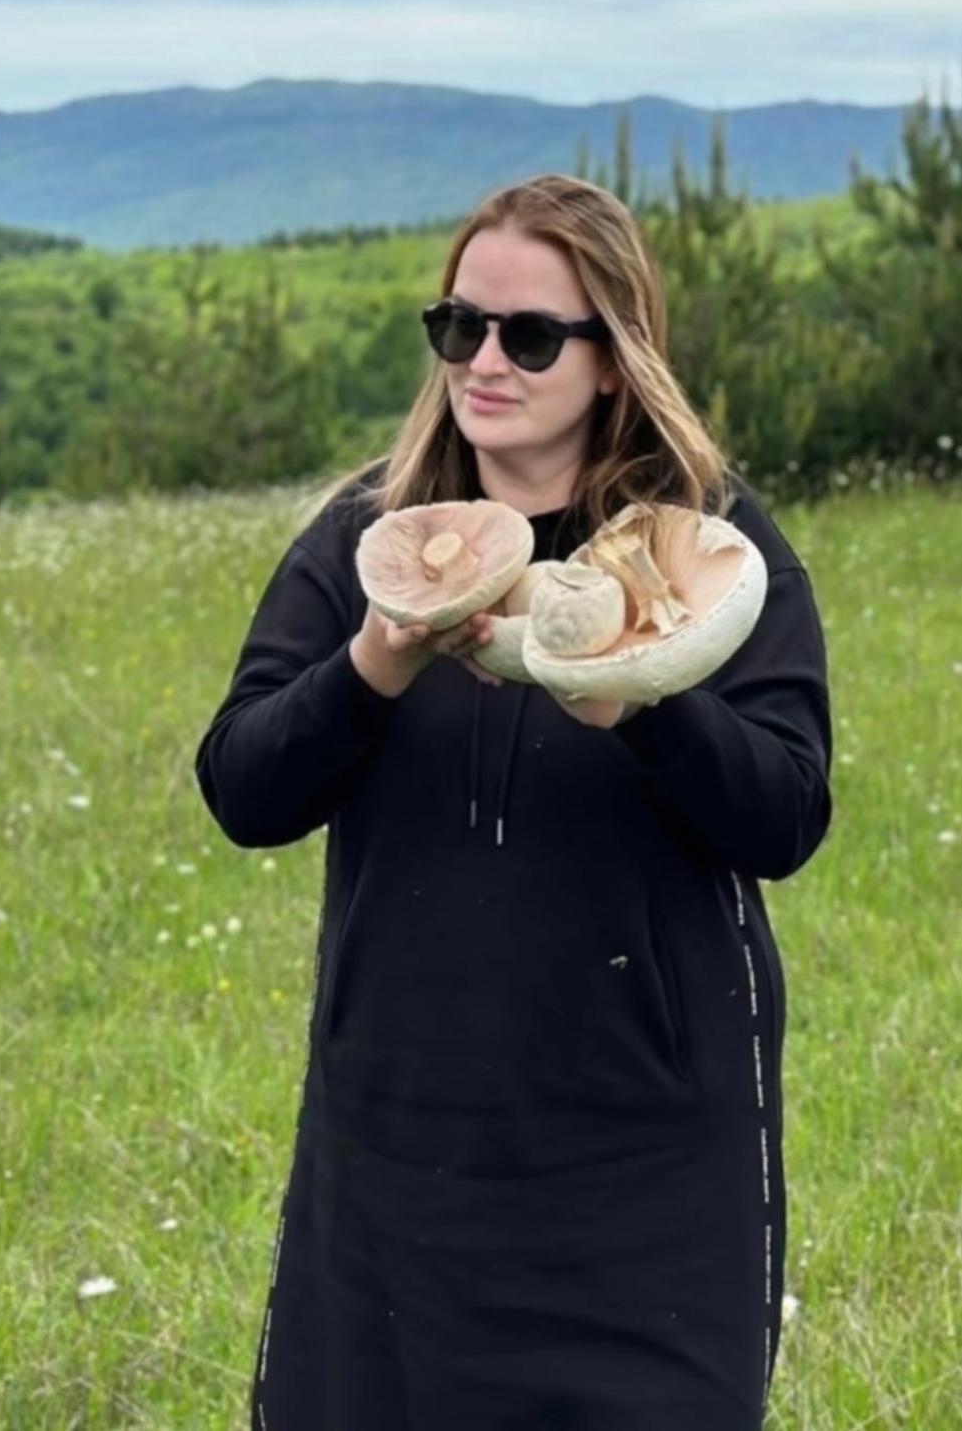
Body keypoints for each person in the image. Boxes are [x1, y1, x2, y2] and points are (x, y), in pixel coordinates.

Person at [192, 173, 833, 1430]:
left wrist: (647, 703)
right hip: (399, 1140)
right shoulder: (365, 538)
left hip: (646, 1146)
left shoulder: (707, 549)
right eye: (457, 327)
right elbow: (244, 788)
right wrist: (376, 662)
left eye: (528, 335)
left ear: (613, 359)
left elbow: (787, 813)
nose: (481, 362)